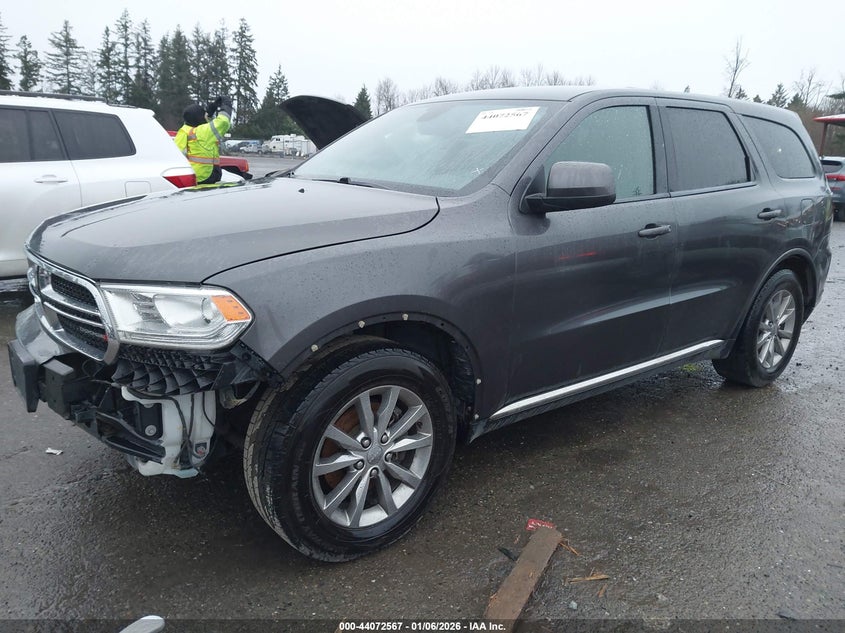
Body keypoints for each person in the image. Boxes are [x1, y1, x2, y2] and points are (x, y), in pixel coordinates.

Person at [174, 96, 233, 185]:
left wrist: (211, 111)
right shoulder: (201, 132)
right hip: (205, 177)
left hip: (193, 177)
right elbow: (223, 122)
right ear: (199, 117)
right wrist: (226, 105)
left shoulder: (184, 130)